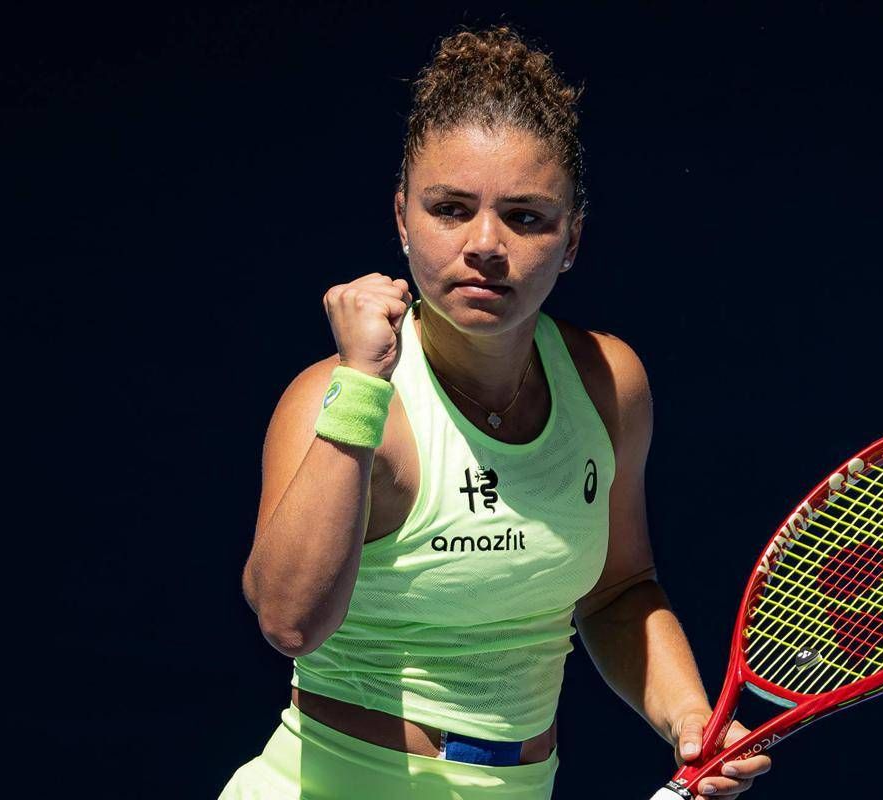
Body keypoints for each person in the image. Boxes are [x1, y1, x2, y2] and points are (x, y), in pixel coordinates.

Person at [220, 23, 771, 799]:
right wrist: (363, 384)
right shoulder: (336, 398)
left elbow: (618, 588)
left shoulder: (608, 382)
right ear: (402, 219)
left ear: (572, 239)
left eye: (526, 216)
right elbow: (290, 622)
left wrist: (688, 716)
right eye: (450, 208)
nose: (485, 243)